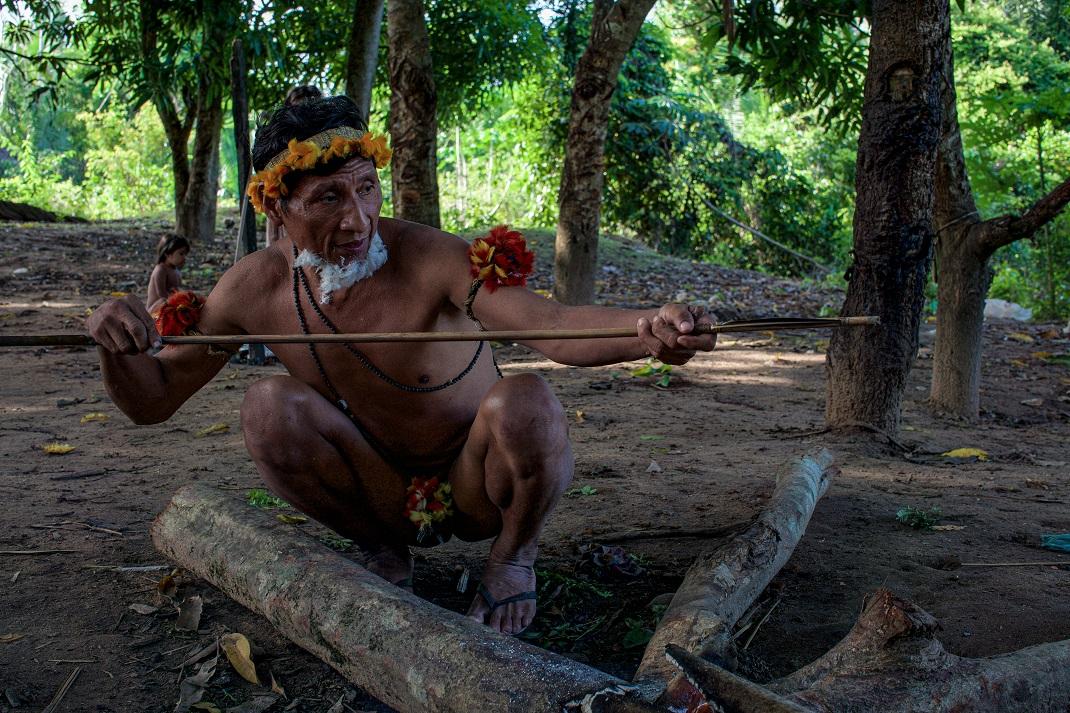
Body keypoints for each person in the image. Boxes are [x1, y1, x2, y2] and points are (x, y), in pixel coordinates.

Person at [86, 95, 716, 636]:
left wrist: (647, 331)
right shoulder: (251, 289)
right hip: (379, 488)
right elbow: (153, 398)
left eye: (366, 188)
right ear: (276, 209)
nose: (358, 218)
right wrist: (117, 345)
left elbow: (551, 329)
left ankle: (513, 560)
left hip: (478, 485)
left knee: (527, 403)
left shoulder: (432, 257)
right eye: (328, 197)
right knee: (267, 407)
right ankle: (383, 552)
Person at [266, 85, 324, 247]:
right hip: (287, 194)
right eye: (299, 104)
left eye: (310, 103)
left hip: (317, 198)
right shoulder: (281, 135)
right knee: (283, 244)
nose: (304, 108)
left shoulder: (326, 132)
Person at [146, 234, 190, 313]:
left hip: (169, 303)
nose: (184, 257)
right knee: (164, 301)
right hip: (155, 309)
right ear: (167, 254)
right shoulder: (160, 270)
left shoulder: (175, 270)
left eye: (185, 254)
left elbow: (175, 290)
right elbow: (162, 295)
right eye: (181, 254)